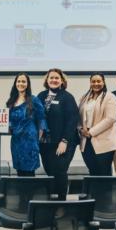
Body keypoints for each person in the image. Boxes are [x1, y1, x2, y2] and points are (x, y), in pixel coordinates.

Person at [37, 68, 79, 199]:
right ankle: (52, 202)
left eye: (56, 78)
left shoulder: (67, 97)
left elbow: (72, 121)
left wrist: (64, 141)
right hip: (45, 143)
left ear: (61, 81)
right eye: (51, 78)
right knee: (49, 171)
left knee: (60, 171)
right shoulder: (41, 96)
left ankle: (61, 203)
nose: (54, 80)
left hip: (63, 143)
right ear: (47, 80)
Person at [6, 73, 47, 176]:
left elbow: (42, 118)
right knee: (19, 170)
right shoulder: (11, 101)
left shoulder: (34, 100)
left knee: (29, 171)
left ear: (28, 84)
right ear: (15, 83)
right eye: (18, 81)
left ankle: (29, 192)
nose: (21, 83)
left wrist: (38, 138)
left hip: (30, 141)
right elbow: (8, 121)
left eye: (24, 81)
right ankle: (21, 192)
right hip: (16, 141)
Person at [78, 73, 116, 175]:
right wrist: (80, 129)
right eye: (93, 81)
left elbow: (110, 119)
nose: (96, 83)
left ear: (103, 82)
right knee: (92, 170)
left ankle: (105, 191)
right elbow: (78, 115)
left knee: (103, 172)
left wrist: (91, 132)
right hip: (86, 140)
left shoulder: (110, 97)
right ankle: (93, 191)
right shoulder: (84, 97)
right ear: (90, 83)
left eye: (99, 81)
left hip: (104, 140)